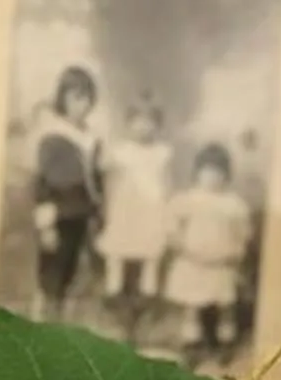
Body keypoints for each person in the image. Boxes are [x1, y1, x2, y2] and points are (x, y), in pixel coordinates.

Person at [162, 143, 255, 362]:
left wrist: (235, 253)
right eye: (207, 172)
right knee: (192, 306)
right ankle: (191, 343)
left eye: (218, 173)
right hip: (193, 259)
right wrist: (182, 246)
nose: (212, 178)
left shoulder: (233, 204)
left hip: (221, 262)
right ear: (197, 172)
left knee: (225, 306)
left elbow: (243, 233)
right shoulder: (186, 200)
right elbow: (171, 227)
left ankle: (224, 342)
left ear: (226, 175)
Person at [27, 65, 103, 321]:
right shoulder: (52, 136)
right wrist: (46, 224)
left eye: (87, 98)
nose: (82, 105)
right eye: (76, 98)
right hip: (58, 214)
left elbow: (94, 179)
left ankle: (58, 324)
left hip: (80, 213)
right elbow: (44, 184)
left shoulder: (90, 138)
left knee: (70, 271)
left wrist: (97, 209)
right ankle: (40, 324)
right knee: (51, 272)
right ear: (62, 99)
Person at [98, 99, 174, 340]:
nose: (144, 127)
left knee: (150, 253)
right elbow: (109, 182)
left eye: (150, 122)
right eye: (138, 122)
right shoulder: (120, 152)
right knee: (118, 251)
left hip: (151, 209)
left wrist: (166, 211)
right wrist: (108, 210)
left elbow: (166, 184)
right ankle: (115, 299)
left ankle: (146, 301)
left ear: (157, 126)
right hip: (125, 208)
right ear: (128, 124)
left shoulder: (162, 153)